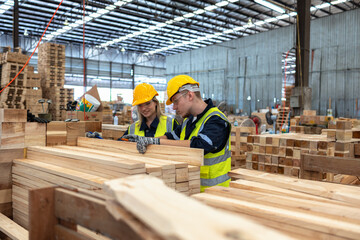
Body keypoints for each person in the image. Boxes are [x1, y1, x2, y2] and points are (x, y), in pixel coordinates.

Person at [123, 75, 231, 192]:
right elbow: (171, 137)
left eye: (175, 101)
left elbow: (200, 145)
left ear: (190, 95)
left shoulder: (216, 120)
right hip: (191, 189)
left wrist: (156, 141)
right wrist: (144, 140)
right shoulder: (188, 121)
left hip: (214, 193)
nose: (174, 107)